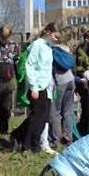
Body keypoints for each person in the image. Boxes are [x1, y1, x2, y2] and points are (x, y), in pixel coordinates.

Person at [16, 24, 57, 155]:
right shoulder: (37, 45)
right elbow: (30, 65)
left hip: (46, 86)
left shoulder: (48, 48)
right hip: (37, 86)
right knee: (36, 117)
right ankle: (26, 144)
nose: (57, 39)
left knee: (43, 117)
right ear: (49, 32)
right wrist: (33, 86)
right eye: (55, 36)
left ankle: (34, 144)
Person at [50, 33, 79, 147]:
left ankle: (54, 140)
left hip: (59, 82)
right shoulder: (64, 49)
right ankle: (68, 138)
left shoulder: (50, 51)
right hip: (70, 80)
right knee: (68, 111)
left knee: (55, 112)